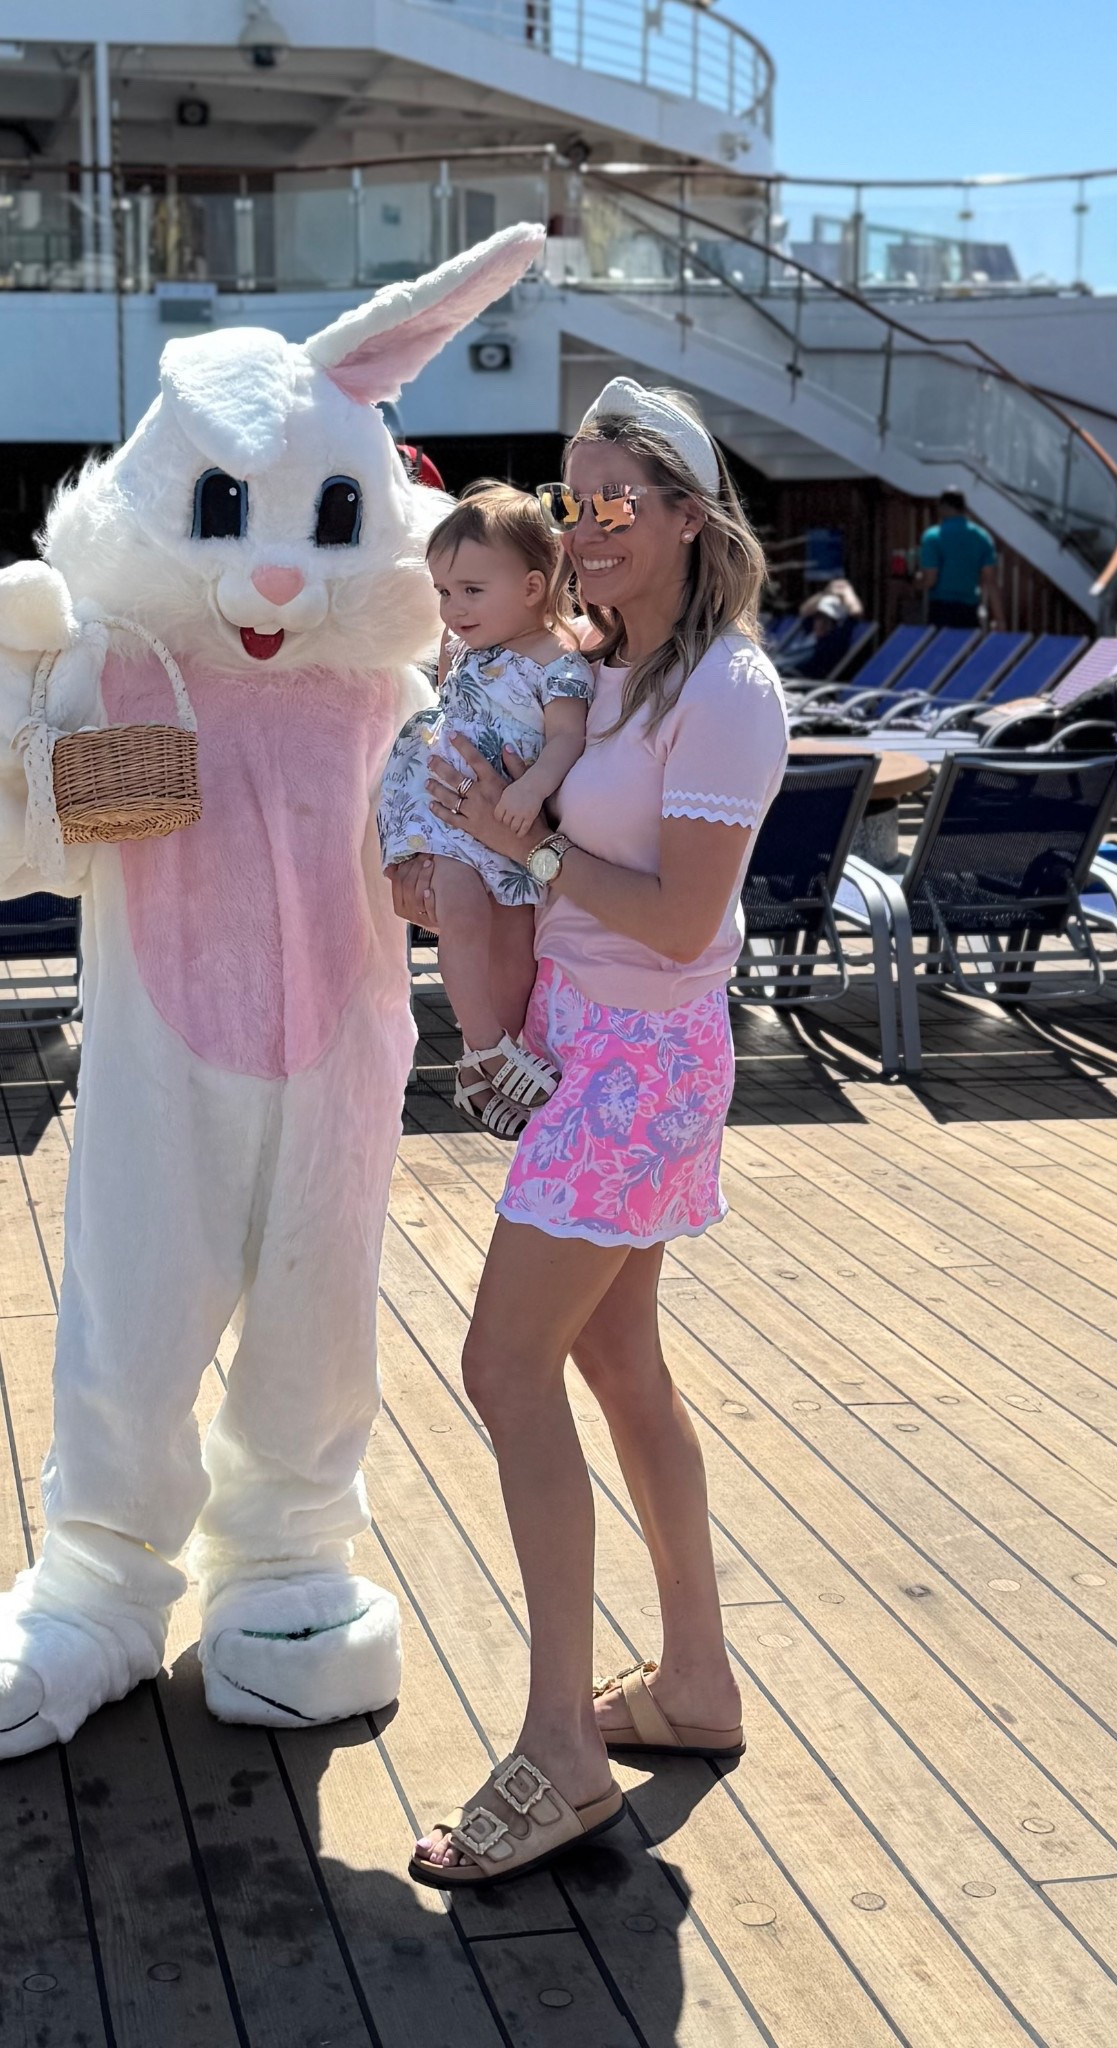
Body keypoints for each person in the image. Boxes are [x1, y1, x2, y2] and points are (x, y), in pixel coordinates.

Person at [390, 378, 788, 1888]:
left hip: (643, 1064)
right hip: (591, 1044)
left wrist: (523, 846)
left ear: (690, 512)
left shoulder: (728, 694)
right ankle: (692, 1685)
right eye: (574, 500)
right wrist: (470, 871)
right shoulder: (609, 669)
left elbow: (683, 919)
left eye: (618, 497)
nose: (589, 525)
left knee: (507, 1365)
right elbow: (554, 869)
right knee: (618, 1363)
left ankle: (563, 1750)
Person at [377, 483, 592, 1133]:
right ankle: (484, 1045)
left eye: (471, 591)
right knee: (464, 913)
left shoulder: (560, 661)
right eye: (444, 593)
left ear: (532, 587)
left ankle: (484, 1065)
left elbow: (566, 738)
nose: (453, 608)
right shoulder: (469, 647)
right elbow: (453, 707)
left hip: (507, 815)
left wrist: (533, 787)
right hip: (444, 805)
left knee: (518, 945)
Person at [917, 487, 1004, 629]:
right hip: (969, 611)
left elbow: (930, 580)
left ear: (942, 508)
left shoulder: (933, 537)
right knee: (966, 650)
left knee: (938, 651)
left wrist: (914, 582)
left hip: (941, 610)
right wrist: (999, 619)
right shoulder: (982, 537)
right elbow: (991, 581)